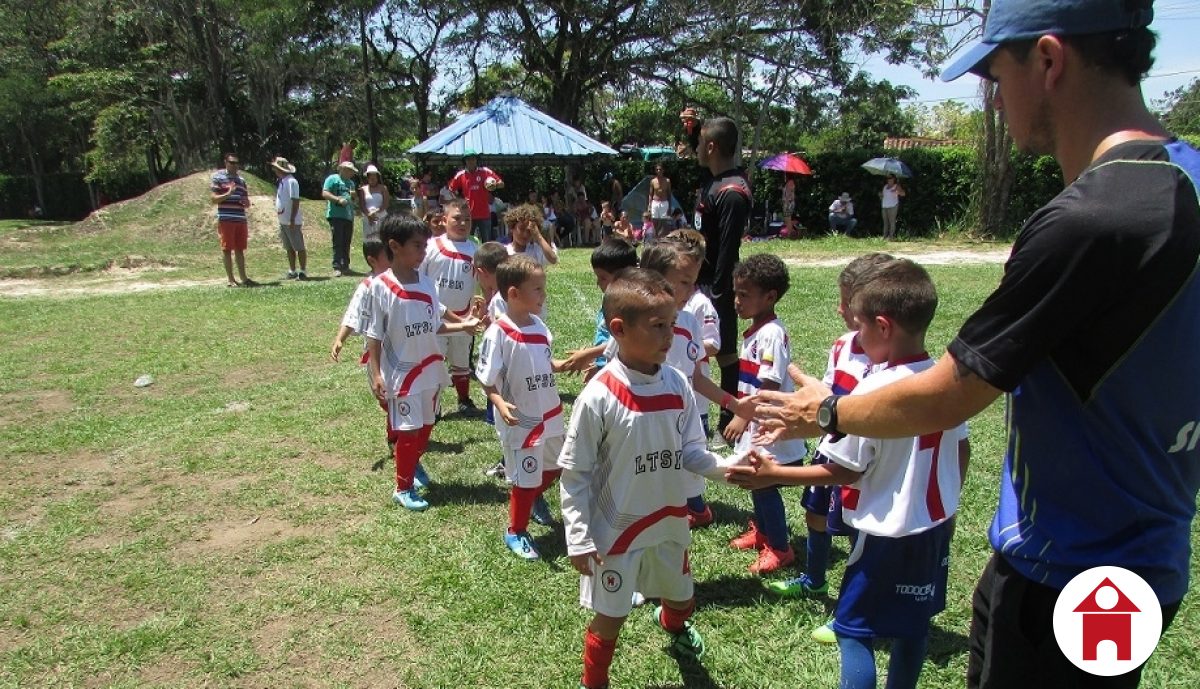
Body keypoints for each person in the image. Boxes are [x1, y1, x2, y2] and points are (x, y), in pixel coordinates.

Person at [751, 2, 1200, 687]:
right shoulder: (1187, 176)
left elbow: (950, 394)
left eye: (994, 73)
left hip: (1069, 573)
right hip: (1146, 558)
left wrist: (826, 411)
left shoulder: (1093, 220)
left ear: (1048, 59)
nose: (992, 97)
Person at [729, 258, 970, 689]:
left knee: (853, 630)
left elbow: (842, 470)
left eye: (860, 325)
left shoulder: (873, 391)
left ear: (883, 327)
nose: (856, 334)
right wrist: (947, 503)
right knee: (913, 628)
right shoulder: (941, 382)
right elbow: (962, 450)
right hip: (934, 529)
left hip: (885, 535)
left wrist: (774, 473)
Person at [557, 268, 751, 689]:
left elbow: (692, 452)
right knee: (611, 617)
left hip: (667, 524)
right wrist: (578, 537)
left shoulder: (677, 384)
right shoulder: (599, 395)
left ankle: (672, 623)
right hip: (616, 533)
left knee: (684, 600)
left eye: (673, 324)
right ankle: (594, 681)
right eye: (658, 326)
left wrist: (732, 469)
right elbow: (575, 474)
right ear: (619, 329)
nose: (670, 336)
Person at [768, 252, 894, 645]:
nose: (839, 309)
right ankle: (815, 579)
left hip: (864, 457)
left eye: (846, 302)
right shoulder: (842, 345)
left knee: (858, 530)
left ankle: (861, 607)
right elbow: (824, 397)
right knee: (815, 513)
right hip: (831, 446)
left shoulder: (887, 357)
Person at [363, 216, 480, 512]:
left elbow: (434, 324)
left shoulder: (427, 282)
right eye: (417, 246)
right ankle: (403, 488)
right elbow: (374, 335)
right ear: (394, 246)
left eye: (425, 246)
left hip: (430, 367)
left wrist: (464, 325)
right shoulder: (380, 286)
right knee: (409, 429)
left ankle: (411, 464)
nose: (423, 252)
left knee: (427, 425)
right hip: (402, 373)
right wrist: (376, 373)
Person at [722, 254, 808, 574]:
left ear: (770, 297)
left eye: (744, 294)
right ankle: (763, 532)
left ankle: (781, 549)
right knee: (754, 480)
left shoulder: (771, 333)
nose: (737, 300)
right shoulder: (758, 331)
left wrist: (742, 415)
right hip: (757, 423)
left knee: (764, 483)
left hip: (769, 427)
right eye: (736, 293)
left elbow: (769, 384)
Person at [476, 255, 566, 560]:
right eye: (538, 289)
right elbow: (487, 379)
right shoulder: (498, 333)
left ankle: (530, 497)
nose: (544, 295)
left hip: (549, 412)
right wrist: (499, 402)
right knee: (526, 477)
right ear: (514, 293)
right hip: (521, 420)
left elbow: (542, 360)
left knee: (556, 466)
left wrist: (560, 365)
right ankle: (516, 530)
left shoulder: (539, 326)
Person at [329, 239, 432, 490]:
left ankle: (404, 449)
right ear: (373, 260)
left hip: (410, 360)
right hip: (384, 361)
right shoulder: (370, 287)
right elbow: (354, 315)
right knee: (392, 404)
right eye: (387, 256)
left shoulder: (412, 281)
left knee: (412, 414)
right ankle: (399, 445)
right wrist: (340, 338)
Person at [680, 111, 751, 435]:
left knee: (724, 352)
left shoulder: (732, 192)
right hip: (698, 280)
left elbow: (726, 250)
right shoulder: (714, 180)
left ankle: (728, 420)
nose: (694, 149)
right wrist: (691, 128)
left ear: (711, 147)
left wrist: (720, 296)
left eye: (699, 143)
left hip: (715, 285)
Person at [420, 199, 479, 414]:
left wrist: (477, 311)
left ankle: (464, 399)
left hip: (464, 319)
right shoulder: (431, 247)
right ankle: (433, 407)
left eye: (467, 219)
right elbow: (420, 278)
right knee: (434, 363)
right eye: (457, 218)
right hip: (435, 318)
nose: (462, 223)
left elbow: (482, 283)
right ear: (444, 220)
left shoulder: (475, 251)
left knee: (461, 361)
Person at [558, 238, 640, 383]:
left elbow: (622, 343)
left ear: (624, 276)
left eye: (602, 278)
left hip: (623, 373)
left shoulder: (629, 307)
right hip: (609, 365)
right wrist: (599, 365)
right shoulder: (610, 300)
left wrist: (588, 354)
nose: (597, 283)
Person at [210, 152, 257, 288]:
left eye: (236, 163)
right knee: (227, 249)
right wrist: (228, 193)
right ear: (225, 162)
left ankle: (244, 278)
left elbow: (246, 200)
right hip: (226, 219)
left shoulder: (241, 180)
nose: (235, 165)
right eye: (232, 162)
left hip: (240, 218)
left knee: (240, 249)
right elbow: (214, 199)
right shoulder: (218, 178)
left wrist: (246, 202)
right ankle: (231, 279)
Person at [448, 150, 504, 242]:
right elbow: (451, 189)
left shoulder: (485, 171)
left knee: (486, 242)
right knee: (467, 240)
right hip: (468, 214)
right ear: (465, 161)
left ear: (476, 160)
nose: (471, 161)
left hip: (484, 213)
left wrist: (494, 185)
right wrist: (459, 202)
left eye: (473, 159)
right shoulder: (461, 175)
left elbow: (501, 183)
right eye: (468, 159)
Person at [271, 156, 306, 280]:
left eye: (276, 167)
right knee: (289, 247)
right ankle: (292, 270)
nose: (274, 170)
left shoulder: (291, 181)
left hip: (292, 221)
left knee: (299, 246)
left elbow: (295, 200)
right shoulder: (282, 181)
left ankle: (303, 271)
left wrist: (292, 219)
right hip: (283, 221)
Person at [322, 161, 358, 276]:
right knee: (338, 241)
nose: (351, 173)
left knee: (346, 241)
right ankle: (337, 266)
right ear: (342, 169)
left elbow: (353, 200)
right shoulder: (332, 179)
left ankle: (345, 266)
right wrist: (338, 199)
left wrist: (354, 197)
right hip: (336, 215)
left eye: (352, 171)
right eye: (349, 170)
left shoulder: (351, 183)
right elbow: (325, 193)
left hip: (348, 216)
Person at [360, 164, 390, 243]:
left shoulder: (383, 188)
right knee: (368, 239)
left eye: (374, 177)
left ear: (377, 177)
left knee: (381, 239)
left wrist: (376, 211)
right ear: (367, 178)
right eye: (371, 178)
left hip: (381, 216)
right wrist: (368, 214)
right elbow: (362, 205)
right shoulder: (363, 189)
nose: (373, 179)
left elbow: (386, 203)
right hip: (368, 217)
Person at [646, 163, 673, 236]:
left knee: (663, 222)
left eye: (660, 169)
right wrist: (649, 205)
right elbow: (650, 194)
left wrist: (670, 206)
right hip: (655, 202)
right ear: (655, 171)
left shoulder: (667, 181)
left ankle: (662, 238)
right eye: (657, 169)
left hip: (664, 202)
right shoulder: (653, 181)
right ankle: (655, 237)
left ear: (663, 170)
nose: (658, 171)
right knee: (654, 221)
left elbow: (669, 194)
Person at [880, 175, 905, 240]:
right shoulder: (885, 186)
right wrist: (880, 195)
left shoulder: (896, 186)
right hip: (884, 206)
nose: (889, 179)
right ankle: (885, 236)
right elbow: (882, 196)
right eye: (888, 178)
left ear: (894, 179)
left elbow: (903, 194)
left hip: (893, 206)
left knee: (892, 221)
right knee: (885, 222)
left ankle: (891, 236)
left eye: (890, 178)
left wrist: (898, 192)